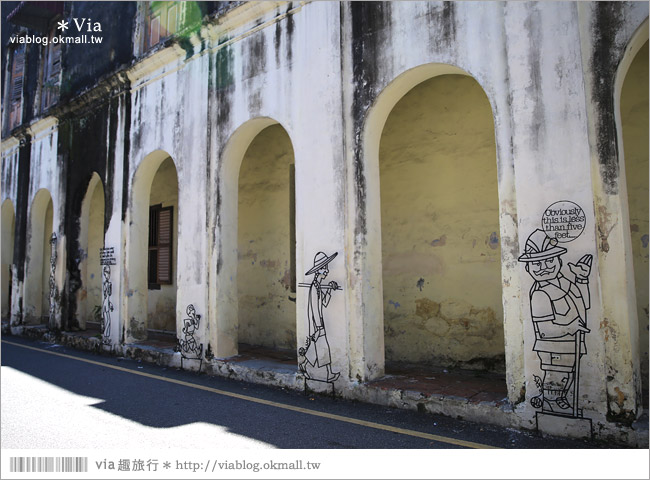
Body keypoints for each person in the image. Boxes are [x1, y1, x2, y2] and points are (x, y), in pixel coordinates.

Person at [518, 229, 592, 414]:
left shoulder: (566, 283)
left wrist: (582, 278)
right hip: (553, 346)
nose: (544, 267)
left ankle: (556, 401)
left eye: (549, 260)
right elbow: (545, 329)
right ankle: (550, 402)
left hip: (571, 343)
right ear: (528, 268)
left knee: (568, 377)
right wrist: (570, 328)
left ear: (559, 261)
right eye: (536, 263)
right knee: (557, 377)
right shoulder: (540, 293)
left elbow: (585, 305)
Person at [299, 251, 340, 382]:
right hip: (317, 324)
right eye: (324, 268)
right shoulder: (314, 287)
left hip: (319, 323)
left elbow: (324, 303)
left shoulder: (318, 287)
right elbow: (314, 309)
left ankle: (304, 364)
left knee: (315, 350)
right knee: (323, 349)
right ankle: (328, 374)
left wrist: (329, 289)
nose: (327, 271)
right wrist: (317, 327)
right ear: (318, 271)